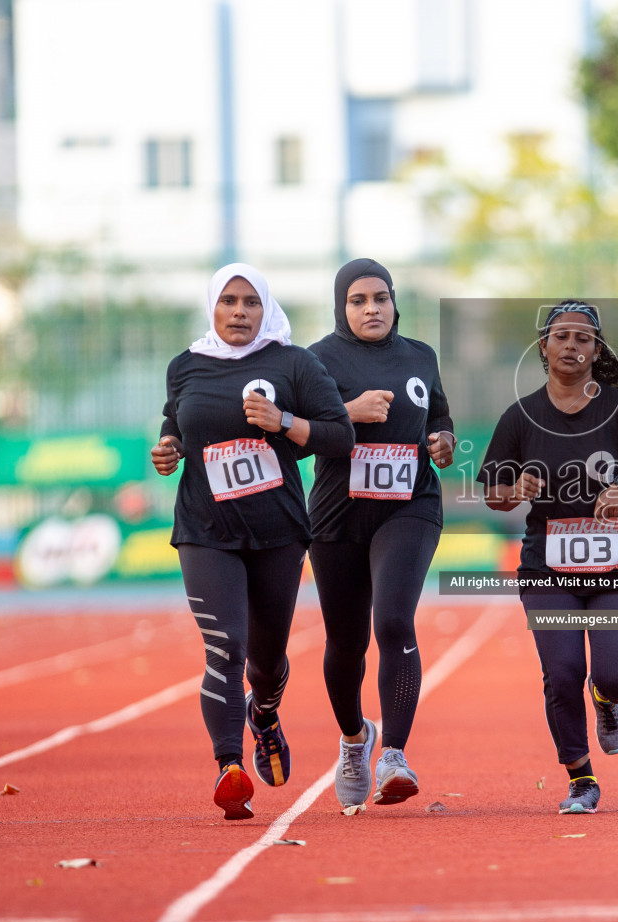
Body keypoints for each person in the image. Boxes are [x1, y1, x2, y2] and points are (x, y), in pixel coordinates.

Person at [153, 263, 353, 821]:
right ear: (212, 308)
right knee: (226, 648)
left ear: (266, 310)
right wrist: (168, 448)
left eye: (250, 303)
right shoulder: (186, 366)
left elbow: (341, 435)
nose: (239, 312)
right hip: (205, 530)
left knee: (265, 662)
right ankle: (229, 769)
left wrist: (283, 419)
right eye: (228, 301)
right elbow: (177, 424)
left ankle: (263, 714)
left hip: (277, 533)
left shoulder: (294, 363)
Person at [478, 301, 618, 814]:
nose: (572, 346)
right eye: (561, 336)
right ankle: (581, 778)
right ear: (543, 346)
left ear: (597, 349)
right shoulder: (519, 417)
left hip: (617, 570)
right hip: (548, 571)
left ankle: (607, 701)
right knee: (562, 671)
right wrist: (515, 488)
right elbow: (493, 494)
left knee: (616, 676)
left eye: (583, 338)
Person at [308, 259, 454, 810]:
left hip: (409, 506)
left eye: (381, 298)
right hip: (337, 515)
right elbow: (294, 437)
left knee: (393, 619)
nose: (372, 309)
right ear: (342, 307)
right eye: (358, 300)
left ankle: (394, 753)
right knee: (346, 643)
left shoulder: (420, 356)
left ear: (395, 302)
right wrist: (350, 412)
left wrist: (443, 441)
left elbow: (439, 418)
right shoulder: (316, 360)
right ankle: (354, 738)